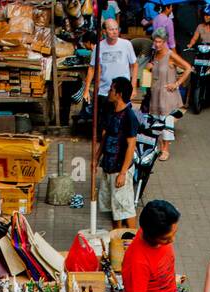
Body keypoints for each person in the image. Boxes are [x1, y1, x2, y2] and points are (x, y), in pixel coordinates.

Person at [98, 76, 141, 229]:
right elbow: (105, 137)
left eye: (112, 89)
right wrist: (96, 158)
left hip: (120, 168)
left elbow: (131, 146)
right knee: (114, 208)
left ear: (119, 94)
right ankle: (116, 236)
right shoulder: (110, 110)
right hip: (108, 166)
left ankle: (132, 238)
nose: (109, 92)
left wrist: (123, 173)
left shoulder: (129, 117)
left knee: (125, 207)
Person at [146, 29, 190, 161]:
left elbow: (188, 68)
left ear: (165, 42)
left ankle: (166, 150)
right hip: (156, 93)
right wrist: (151, 66)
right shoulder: (155, 54)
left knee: (166, 122)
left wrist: (177, 83)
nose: (157, 44)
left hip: (167, 95)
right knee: (156, 121)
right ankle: (159, 147)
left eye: (159, 42)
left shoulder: (171, 55)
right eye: (155, 41)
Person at [84, 18, 139, 109]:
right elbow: (92, 68)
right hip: (104, 91)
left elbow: (135, 65)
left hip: (122, 93)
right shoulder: (99, 47)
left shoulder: (126, 44)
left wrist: (133, 87)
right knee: (104, 121)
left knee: (122, 120)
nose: (115, 32)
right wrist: (86, 90)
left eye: (116, 29)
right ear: (104, 31)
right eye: (111, 29)